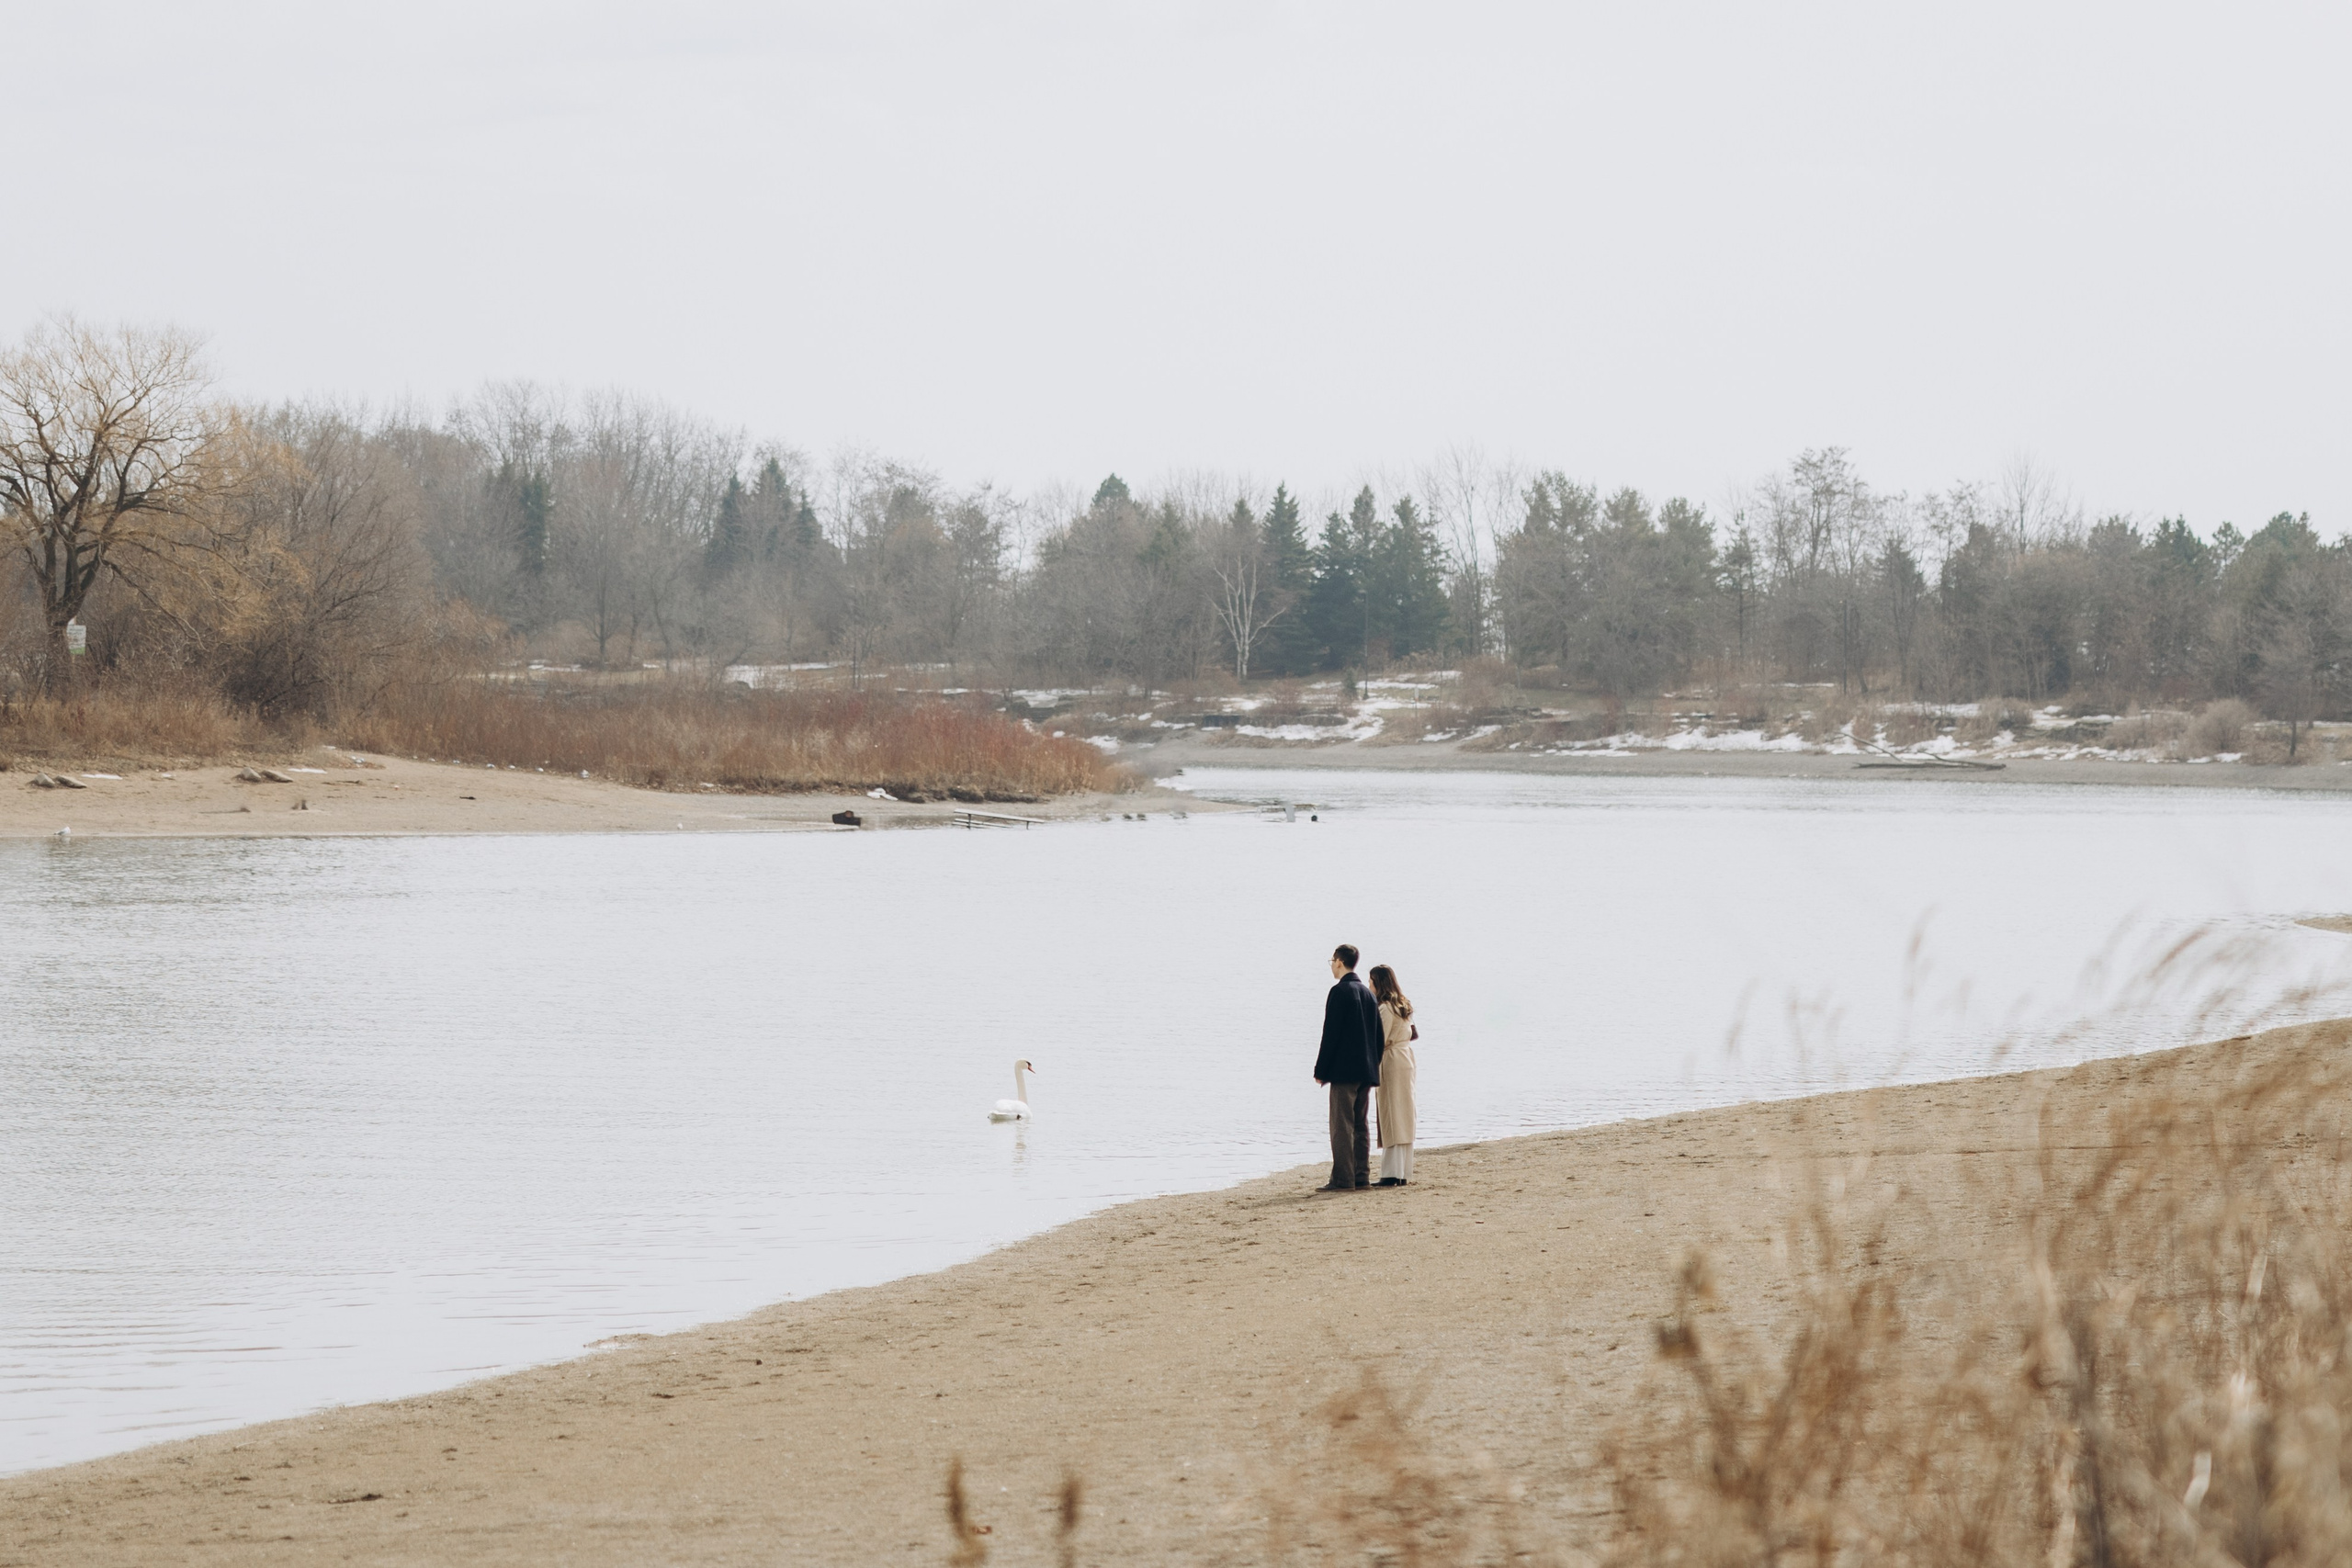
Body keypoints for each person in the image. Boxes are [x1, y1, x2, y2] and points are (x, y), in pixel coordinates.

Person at [1312, 943, 1384, 1191]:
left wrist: (1321, 1070)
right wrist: (1373, 1065)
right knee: (1360, 1125)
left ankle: (1343, 1180)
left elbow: (1330, 1034)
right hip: (1366, 1070)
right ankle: (1361, 1177)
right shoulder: (1368, 993)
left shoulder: (1339, 991)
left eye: (1332, 961)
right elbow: (1379, 1037)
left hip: (1344, 1071)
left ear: (1340, 962)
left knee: (1341, 1126)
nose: (1332, 966)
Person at [1368, 964, 1417, 1186]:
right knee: (1404, 1113)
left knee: (1392, 1113)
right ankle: (1403, 1171)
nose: (1369, 987)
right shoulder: (1403, 1004)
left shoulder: (1386, 1008)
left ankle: (1391, 1173)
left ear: (1378, 983)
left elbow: (1379, 1039)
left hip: (1392, 1060)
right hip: (1406, 1058)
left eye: (1371, 982)